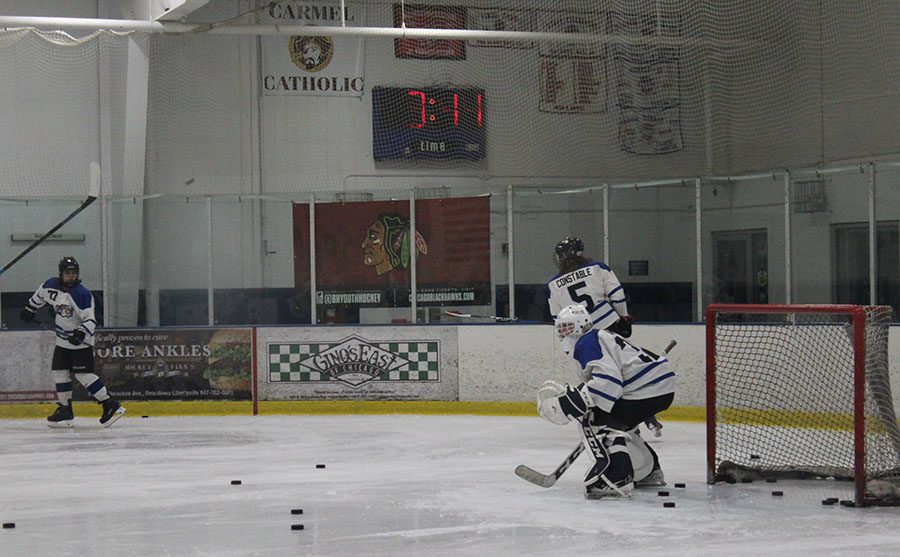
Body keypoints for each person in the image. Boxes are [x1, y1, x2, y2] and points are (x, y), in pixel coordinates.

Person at [537, 304, 676, 499]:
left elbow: (609, 383)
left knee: (597, 420)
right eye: (561, 328)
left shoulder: (587, 342)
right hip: (655, 386)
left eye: (568, 327)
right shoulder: (599, 337)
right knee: (617, 421)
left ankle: (616, 478)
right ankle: (647, 470)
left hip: (648, 387)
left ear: (583, 325)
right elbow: (620, 377)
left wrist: (574, 403)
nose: (564, 333)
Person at [20, 256, 125, 428]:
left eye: (74, 273)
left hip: (80, 342)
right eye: (68, 273)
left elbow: (91, 320)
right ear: (61, 273)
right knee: (59, 372)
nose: (71, 276)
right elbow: (40, 294)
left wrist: (80, 333)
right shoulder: (51, 285)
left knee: (84, 375)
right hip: (62, 340)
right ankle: (65, 409)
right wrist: (30, 308)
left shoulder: (81, 294)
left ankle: (110, 404)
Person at [546, 236, 634, 337]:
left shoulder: (553, 284)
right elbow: (617, 295)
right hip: (608, 322)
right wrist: (623, 316)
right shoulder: (598, 267)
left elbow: (557, 317)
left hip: (580, 332)